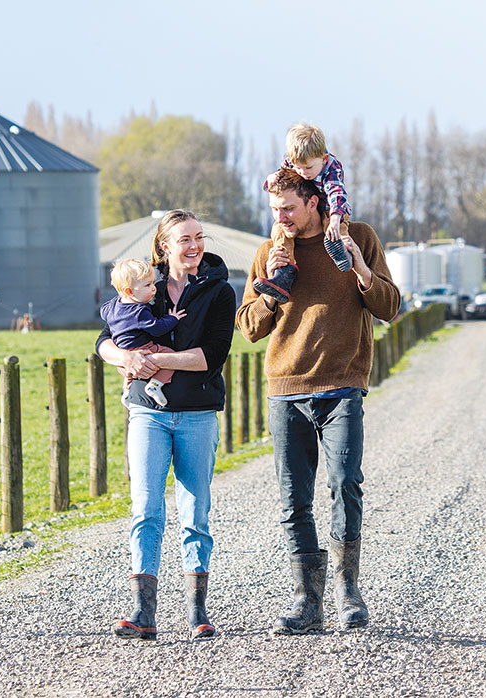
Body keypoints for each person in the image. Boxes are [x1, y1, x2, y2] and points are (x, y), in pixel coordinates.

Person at [236, 168, 400, 634]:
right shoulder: (271, 252)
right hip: (286, 390)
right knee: (293, 500)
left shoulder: (358, 237)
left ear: (314, 200)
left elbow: (389, 307)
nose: (281, 217)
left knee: (346, 482)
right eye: (274, 210)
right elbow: (248, 327)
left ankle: (348, 591)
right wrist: (274, 288)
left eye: (288, 207)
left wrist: (361, 269)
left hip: (341, 385)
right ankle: (308, 600)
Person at [96, 209, 236, 641]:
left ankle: (197, 614)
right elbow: (103, 340)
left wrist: (153, 360)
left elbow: (212, 355)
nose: (194, 246)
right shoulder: (142, 285)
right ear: (164, 247)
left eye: (199, 237)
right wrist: (126, 358)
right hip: (147, 413)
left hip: (197, 414)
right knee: (146, 509)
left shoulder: (220, 292)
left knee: (194, 512)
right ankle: (143, 614)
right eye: (184, 239)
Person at [252, 122, 353, 303]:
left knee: (332, 227)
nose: (302, 173)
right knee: (279, 231)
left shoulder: (331, 167)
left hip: (331, 208)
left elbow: (337, 194)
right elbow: (281, 180)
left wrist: (336, 220)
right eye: (298, 167)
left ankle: (343, 251)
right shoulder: (292, 160)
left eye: (308, 168)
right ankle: (284, 272)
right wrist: (271, 179)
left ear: (322, 159)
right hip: (309, 201)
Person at [99, 258, 187, 407]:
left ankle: (127, 390)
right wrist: (172, 319)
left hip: (122, 350)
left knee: (128, 371)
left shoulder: (112, 305)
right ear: (129, 291)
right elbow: (157, 328)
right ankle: (155, 385)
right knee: (170, 356)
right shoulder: (139, 312)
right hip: (142, 349)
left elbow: (103, 313)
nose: (154, 288)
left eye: (153, 283)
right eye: (147, 285)